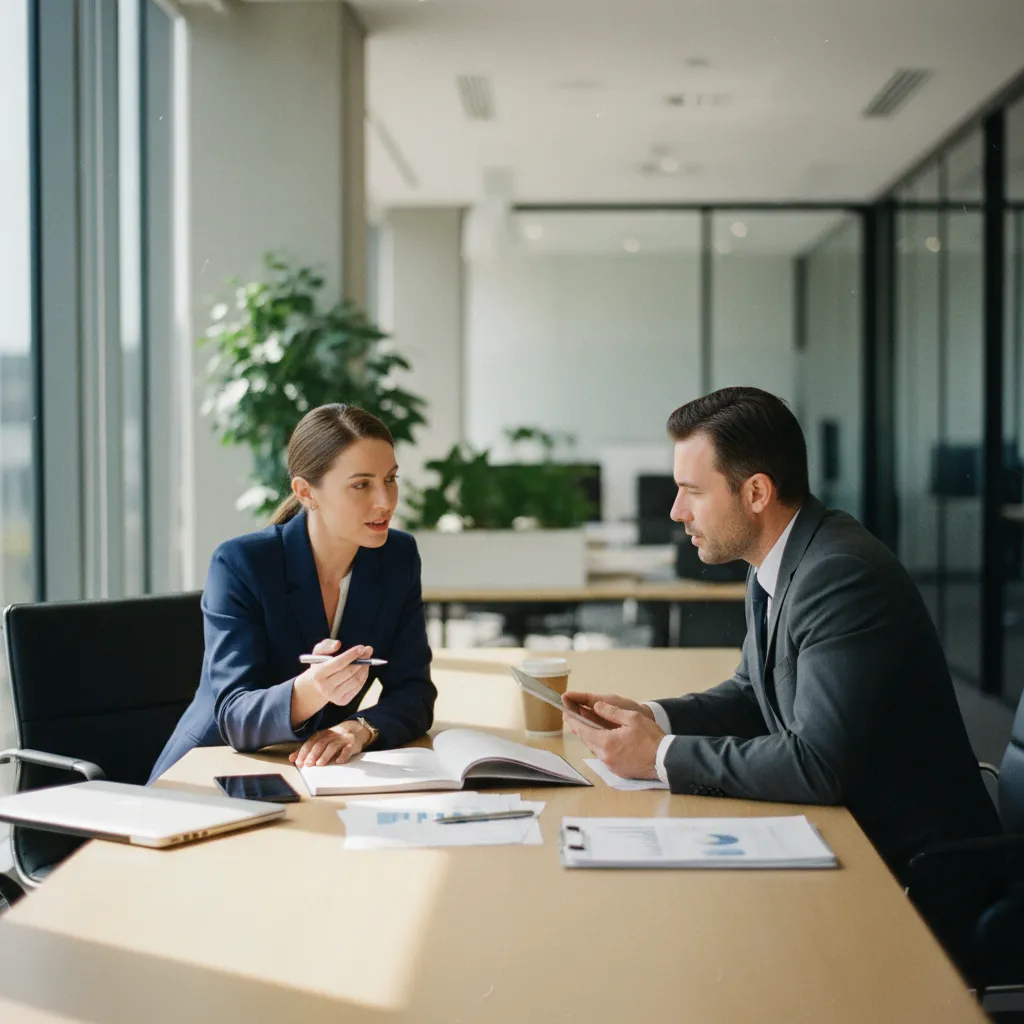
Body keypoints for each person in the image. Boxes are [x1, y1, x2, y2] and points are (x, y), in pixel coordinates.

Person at [564, 386, 999, 880]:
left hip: (913, 870)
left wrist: (658, 756)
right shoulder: (778, 559)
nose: (677, 511)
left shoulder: (838, 573)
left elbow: (818, 763)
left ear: (756, 493)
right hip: (851, 834)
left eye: (693, 491)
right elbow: (754, 695)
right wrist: (651, 718)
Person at [149, 404, 436, 782]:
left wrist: (358, 729)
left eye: (390, 479)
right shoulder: (241, 564)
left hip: (312, 773)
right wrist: (311, 690)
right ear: (305, 491)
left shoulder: (397, 558)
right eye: (361, 485)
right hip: (208, 771)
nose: (385, 501)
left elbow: (414, 691)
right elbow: (233, 715)